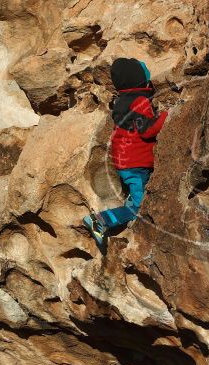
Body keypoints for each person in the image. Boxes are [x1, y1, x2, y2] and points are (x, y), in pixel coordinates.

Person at [83, 58, 169, 251]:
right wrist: (165, 116)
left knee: (135, 192)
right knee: (138, 208)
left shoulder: (121, 102)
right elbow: (147, 130)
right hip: (136, 164)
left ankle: (129, 202)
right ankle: (99, 221)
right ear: (140, 80)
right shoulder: (139, 101)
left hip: (124, 163)